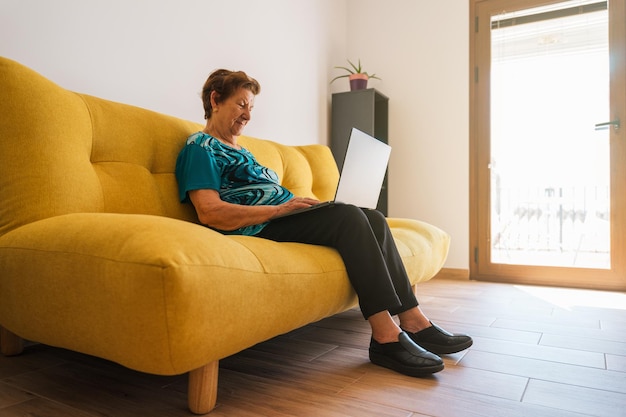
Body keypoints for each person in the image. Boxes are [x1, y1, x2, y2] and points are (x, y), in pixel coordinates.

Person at [175, 69, 472, 377]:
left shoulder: (243, 150)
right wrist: (278, 211)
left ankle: (414, 320)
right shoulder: (200, 147)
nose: (248, 115)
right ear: (215, 100)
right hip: (259, 226)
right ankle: (385, 337)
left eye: (251, 107)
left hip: (283, 215)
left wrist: (300, 205)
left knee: (372, 218)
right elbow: (209, 212)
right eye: (241, 104)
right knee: (349, 217)